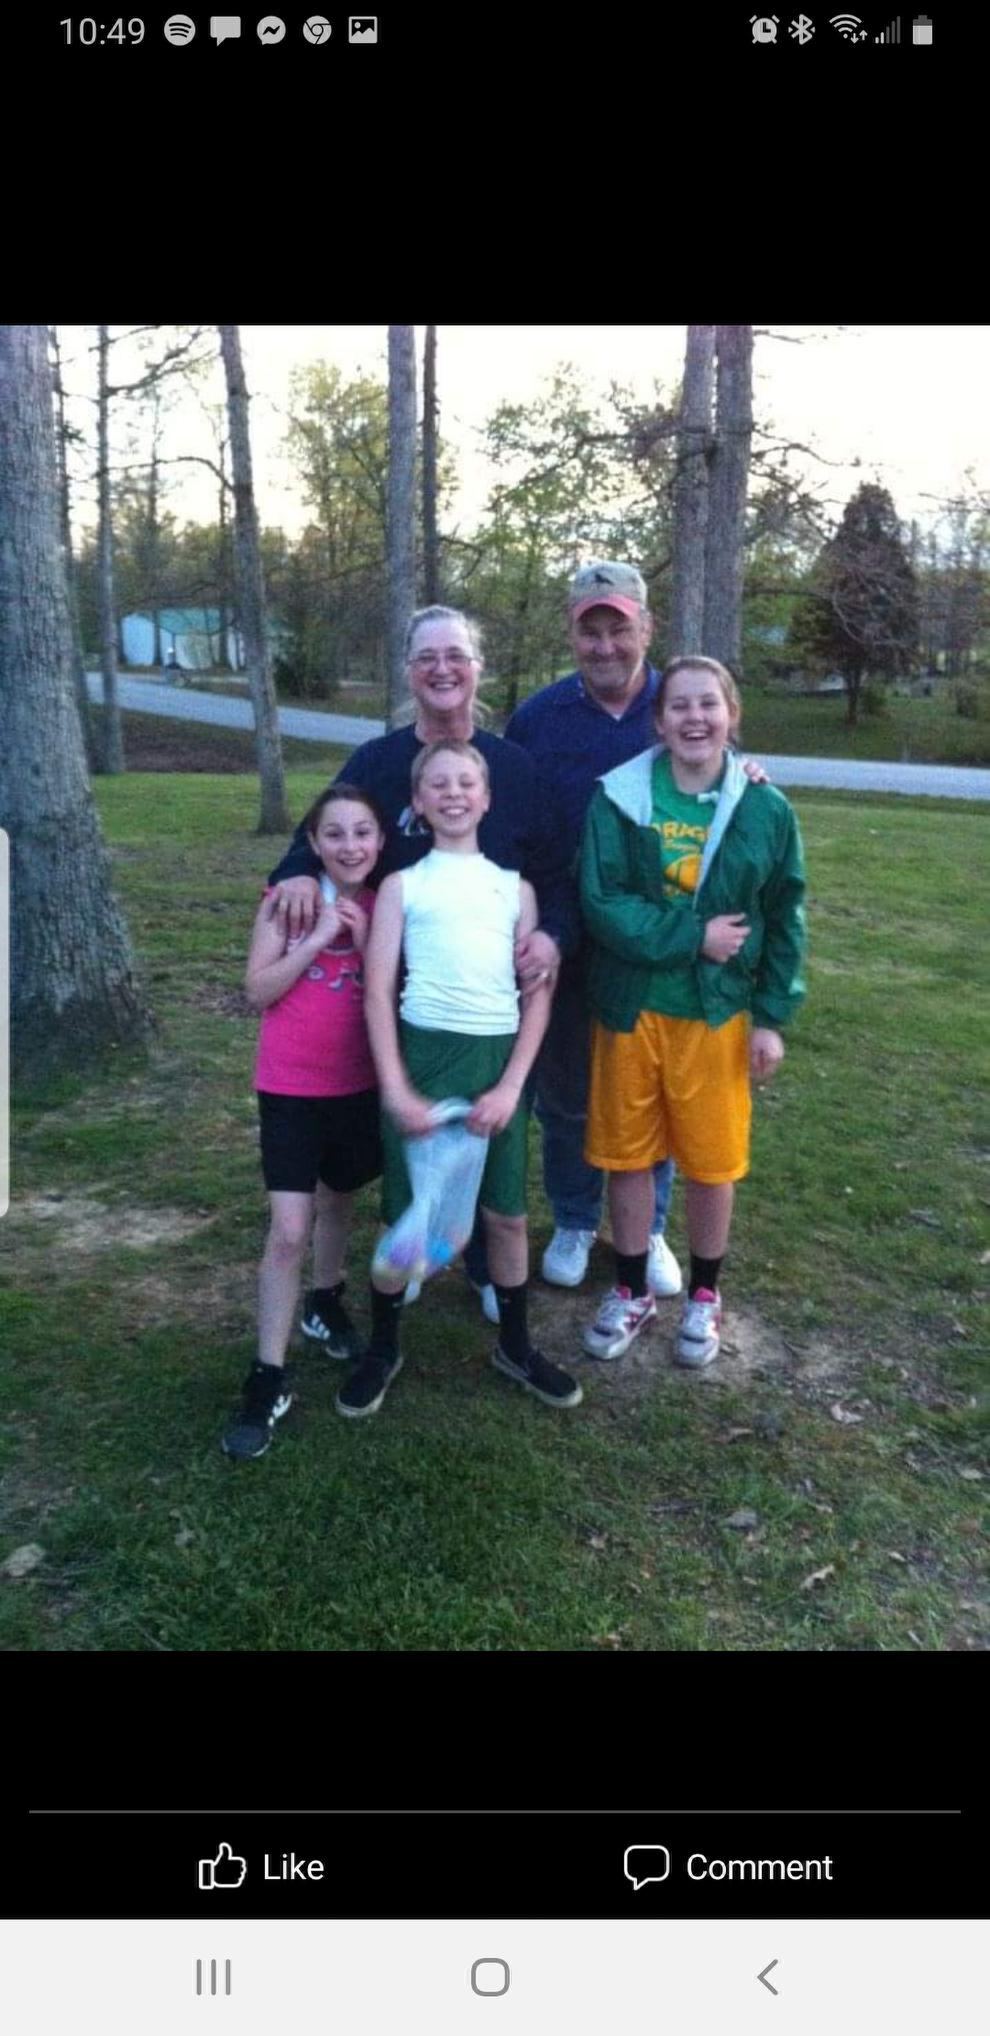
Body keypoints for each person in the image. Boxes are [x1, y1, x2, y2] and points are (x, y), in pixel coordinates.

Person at [266, 606, 579, 1322]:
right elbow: (321, 829)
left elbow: (557, 874)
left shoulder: (513, 769)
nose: (443, 670)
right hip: (403, 992)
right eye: (427, 657)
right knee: (414, 1127)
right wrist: (295, 872)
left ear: (477, 669)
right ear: (408, 672)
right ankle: (411, 1240)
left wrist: (553, 936)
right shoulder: (377, 763)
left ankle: (481, 1261)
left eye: (456, 656)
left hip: (492, 999)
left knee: (487, 1130)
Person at [505, 561, 768, 1297]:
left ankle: (645, 1229)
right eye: (590, 631)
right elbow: (515, 823)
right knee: (567, 1092)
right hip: (566, 935)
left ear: (646, 628)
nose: (605, 645)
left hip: (663, 946)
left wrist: (746, 776)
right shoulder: (538, 719)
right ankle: (575, 1216)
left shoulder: (677, 702)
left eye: (619, 628)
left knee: (659, 1092)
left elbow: (716, 773)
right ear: (572, 635)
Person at [338, 738, 582, 1419]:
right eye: (438, 785)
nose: (452, 794)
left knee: (506, 1215)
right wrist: (396, 1088)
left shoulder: (515, 890)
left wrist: (510, 1087)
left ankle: (516, 1346)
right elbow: (377, 992)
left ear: (487, 798)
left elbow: (537, 998)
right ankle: (383, 1347)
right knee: (405, 1215)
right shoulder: (402, 886)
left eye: (466, 783)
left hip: (496, 1063)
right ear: (417, 802)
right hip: (422, 1058)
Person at [578, 655, 806, 1366]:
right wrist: (693, 936)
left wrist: (771, 1016)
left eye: (709, 704)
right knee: (628, 1155)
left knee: (712, 1162)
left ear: (732, 715)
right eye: (679, 705)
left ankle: (705, 1295)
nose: (695, 718)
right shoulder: (620, 796)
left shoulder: (765, 808)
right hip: (632, 1009)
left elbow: (785, 915)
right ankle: (632, 1288)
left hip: (718, 1013)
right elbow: (603, 903)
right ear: (659, 719)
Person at [221, 785, 387, 1460]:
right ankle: (268, 1375)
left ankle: (326, 1298)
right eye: (335, 834)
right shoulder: (285, 902)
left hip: (358, 1086)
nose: (350, 846)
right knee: (288, 1230)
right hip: (289, 1088)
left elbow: (392, 989)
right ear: (313, 844)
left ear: (379, 841)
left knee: (340, 1197)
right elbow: (256, 989)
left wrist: (365, 938)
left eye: (363, 833)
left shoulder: (384, 903)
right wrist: (317, 937)